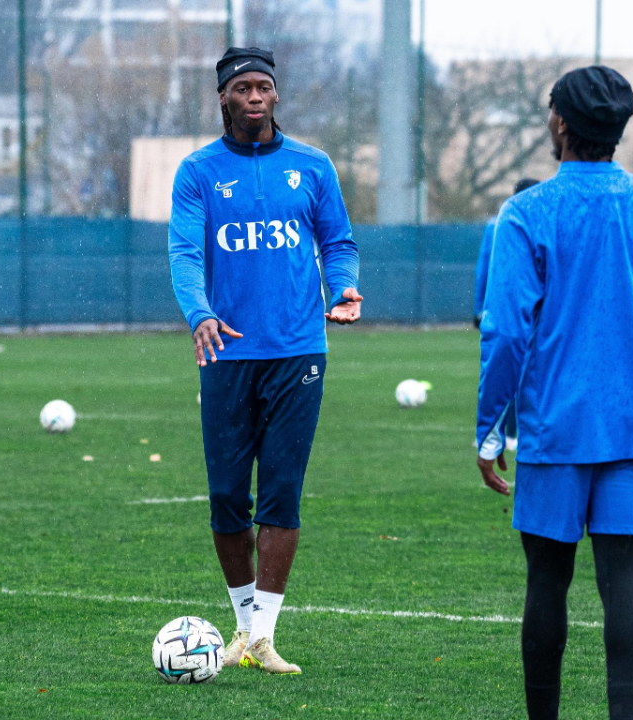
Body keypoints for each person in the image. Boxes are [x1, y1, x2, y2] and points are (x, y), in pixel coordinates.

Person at [475, 66, 633, 720]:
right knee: (622, 584)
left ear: (561, 124)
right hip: (631, 428)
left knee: (548, 581)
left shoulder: (527, 212)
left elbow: (508, 333)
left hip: (553, 431)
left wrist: (492, 429)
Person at [168, 46, 361, 675]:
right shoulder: (198, 171)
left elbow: (338, 241)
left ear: (277, 94)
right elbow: (184, 253)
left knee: (281, 491)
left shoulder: (312, 165)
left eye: (265, 87)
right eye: (244, 88)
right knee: (228, 497)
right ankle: (244, 625)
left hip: (300, 349)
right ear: (223, 96)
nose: (256, 97)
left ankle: (261, 637)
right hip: (225, 351)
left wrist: (346, 288)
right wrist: (199, 313)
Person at [472, 176, 538, 452]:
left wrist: (479, 308)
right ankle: (512, 432)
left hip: (499, 308)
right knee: (526, 369)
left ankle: (493, 433)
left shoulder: (496, 223)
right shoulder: (534, 223)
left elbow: (484, 268)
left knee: (499, 366)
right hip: (529, 309)